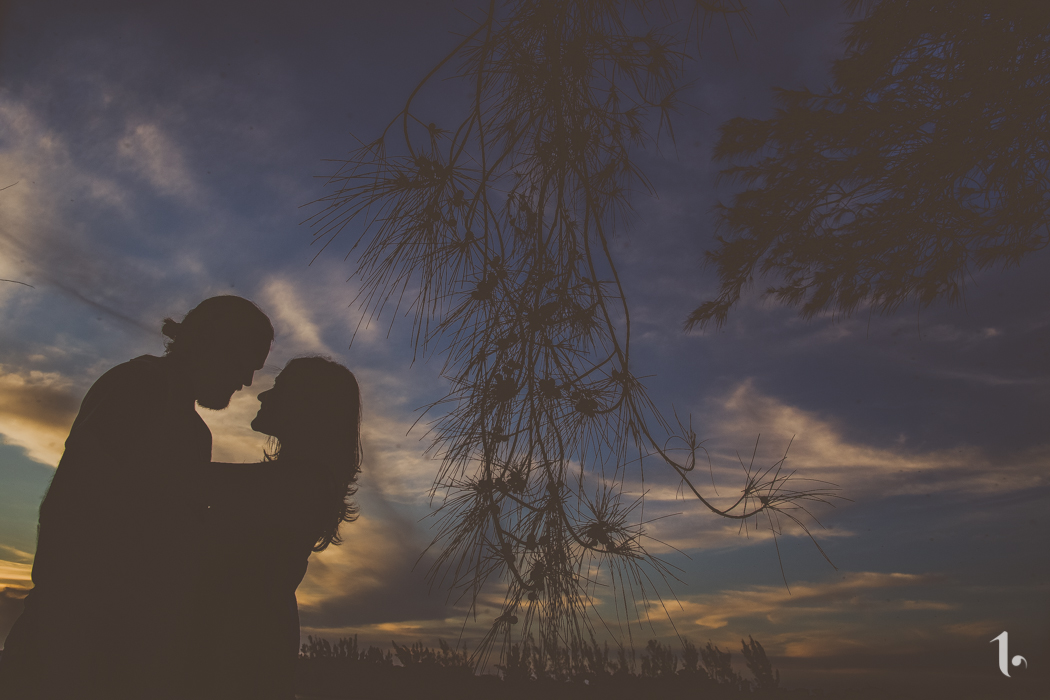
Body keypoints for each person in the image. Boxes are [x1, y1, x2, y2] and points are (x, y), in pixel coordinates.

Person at [0, 295, 274, 700]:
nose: (248, 381)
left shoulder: (194, 430)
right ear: (211, 344)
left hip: (127, 640)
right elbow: (75, 497)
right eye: (246, 362)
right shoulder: (140, 384)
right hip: (77, 632)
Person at [199, 356, 363, 700]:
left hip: (244, 642)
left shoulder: (301, 483)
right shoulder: (300, 479)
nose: (263, 396)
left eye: (279, 389)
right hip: (249, 635)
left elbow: (185, 479)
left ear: (308, 406)